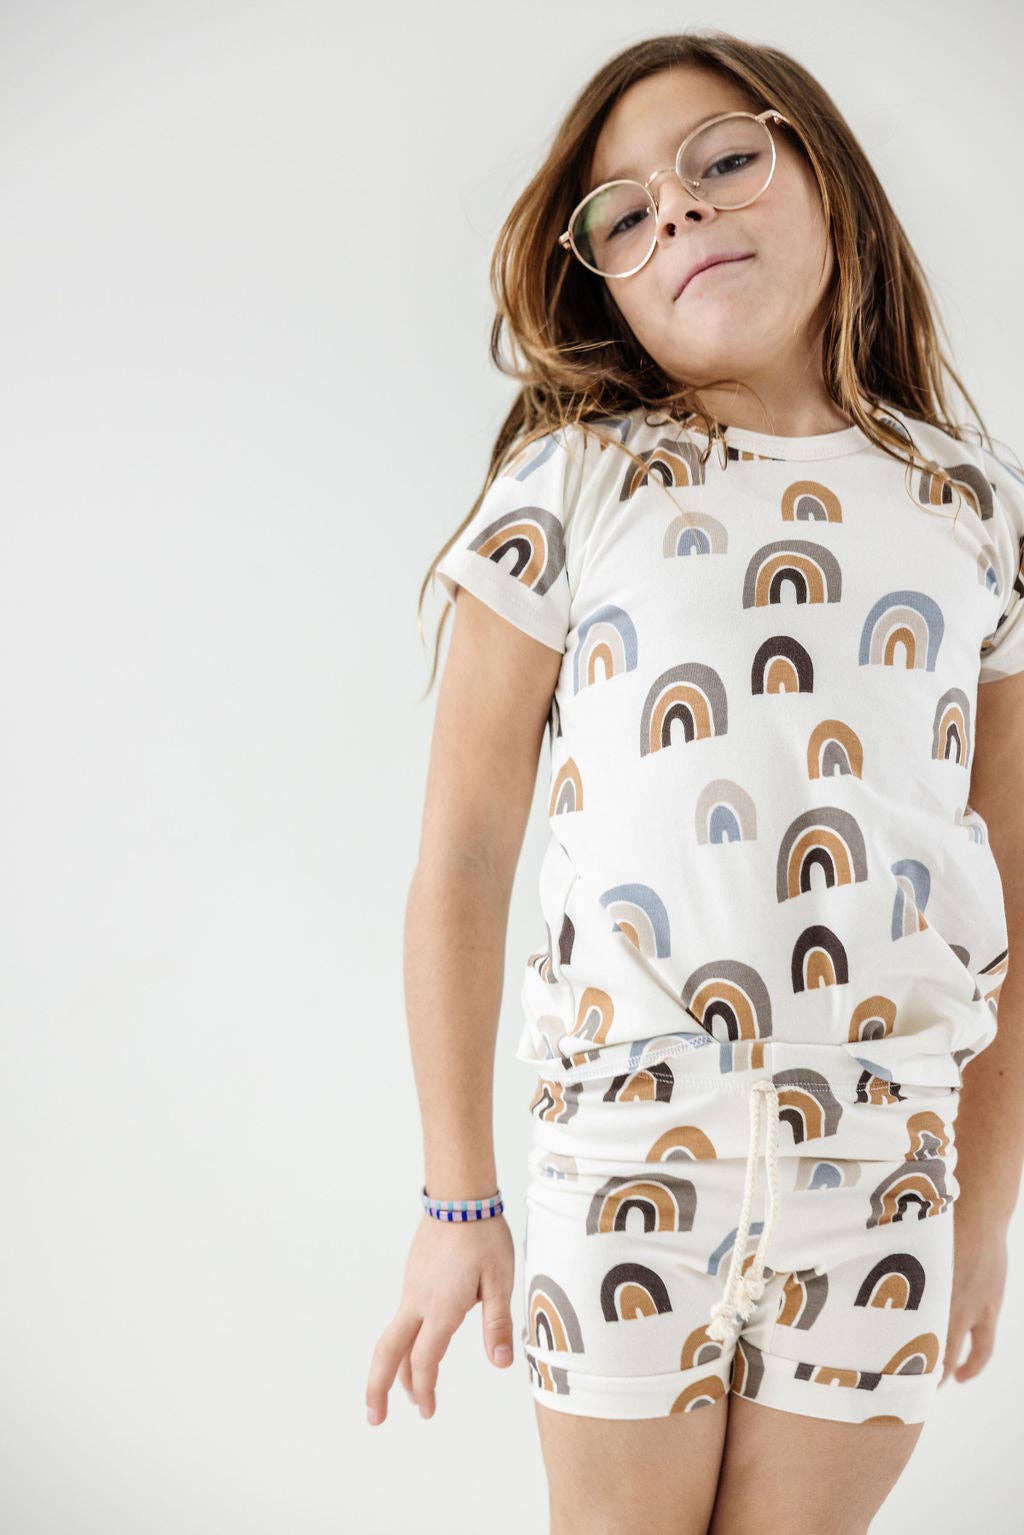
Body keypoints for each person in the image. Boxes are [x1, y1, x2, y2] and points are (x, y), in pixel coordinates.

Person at [365, 29, 1024, 1534]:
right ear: (606, 283)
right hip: (624, 1145)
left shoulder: (976, 511)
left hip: (885, 1160)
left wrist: (982, 1209)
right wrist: (458, 1198)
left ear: (828, 180)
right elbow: (463, 852)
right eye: (625, 213)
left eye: (723, 160)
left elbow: (1016, 870)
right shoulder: (575, 486)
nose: (680, 211)